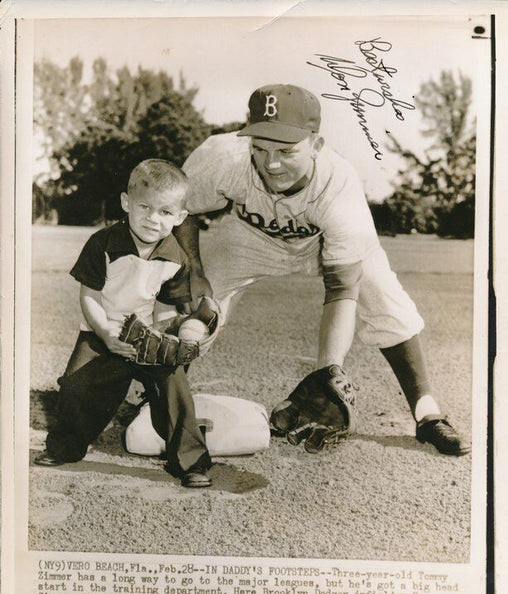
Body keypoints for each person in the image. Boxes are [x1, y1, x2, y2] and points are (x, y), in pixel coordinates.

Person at [175, 83, 471, 457]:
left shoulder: (339, 185)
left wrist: (326, 373)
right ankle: (155, 397)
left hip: (321, 243)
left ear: (316, 144)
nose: (271, 163)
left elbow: (342, 289)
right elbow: (181, 209)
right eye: (260, 148)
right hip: (249, 238)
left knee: (384, 298)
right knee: (190, 303)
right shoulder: (223, 157)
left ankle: (428, 415)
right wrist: (194, 270)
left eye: (286, 149)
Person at [34, 159, 213, 487]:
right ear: (126, 203)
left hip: (145, 334)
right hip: (100, 332)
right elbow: (89, 297)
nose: (152, 218)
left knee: (175, 388)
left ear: (180, 217)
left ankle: (190, 461)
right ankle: (66, 447)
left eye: (165, 212)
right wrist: (106, 332)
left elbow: (163, 305)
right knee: (75, 387)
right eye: (144, 206)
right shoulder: (102, 244)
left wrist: (169, 334)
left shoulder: (176, 257)